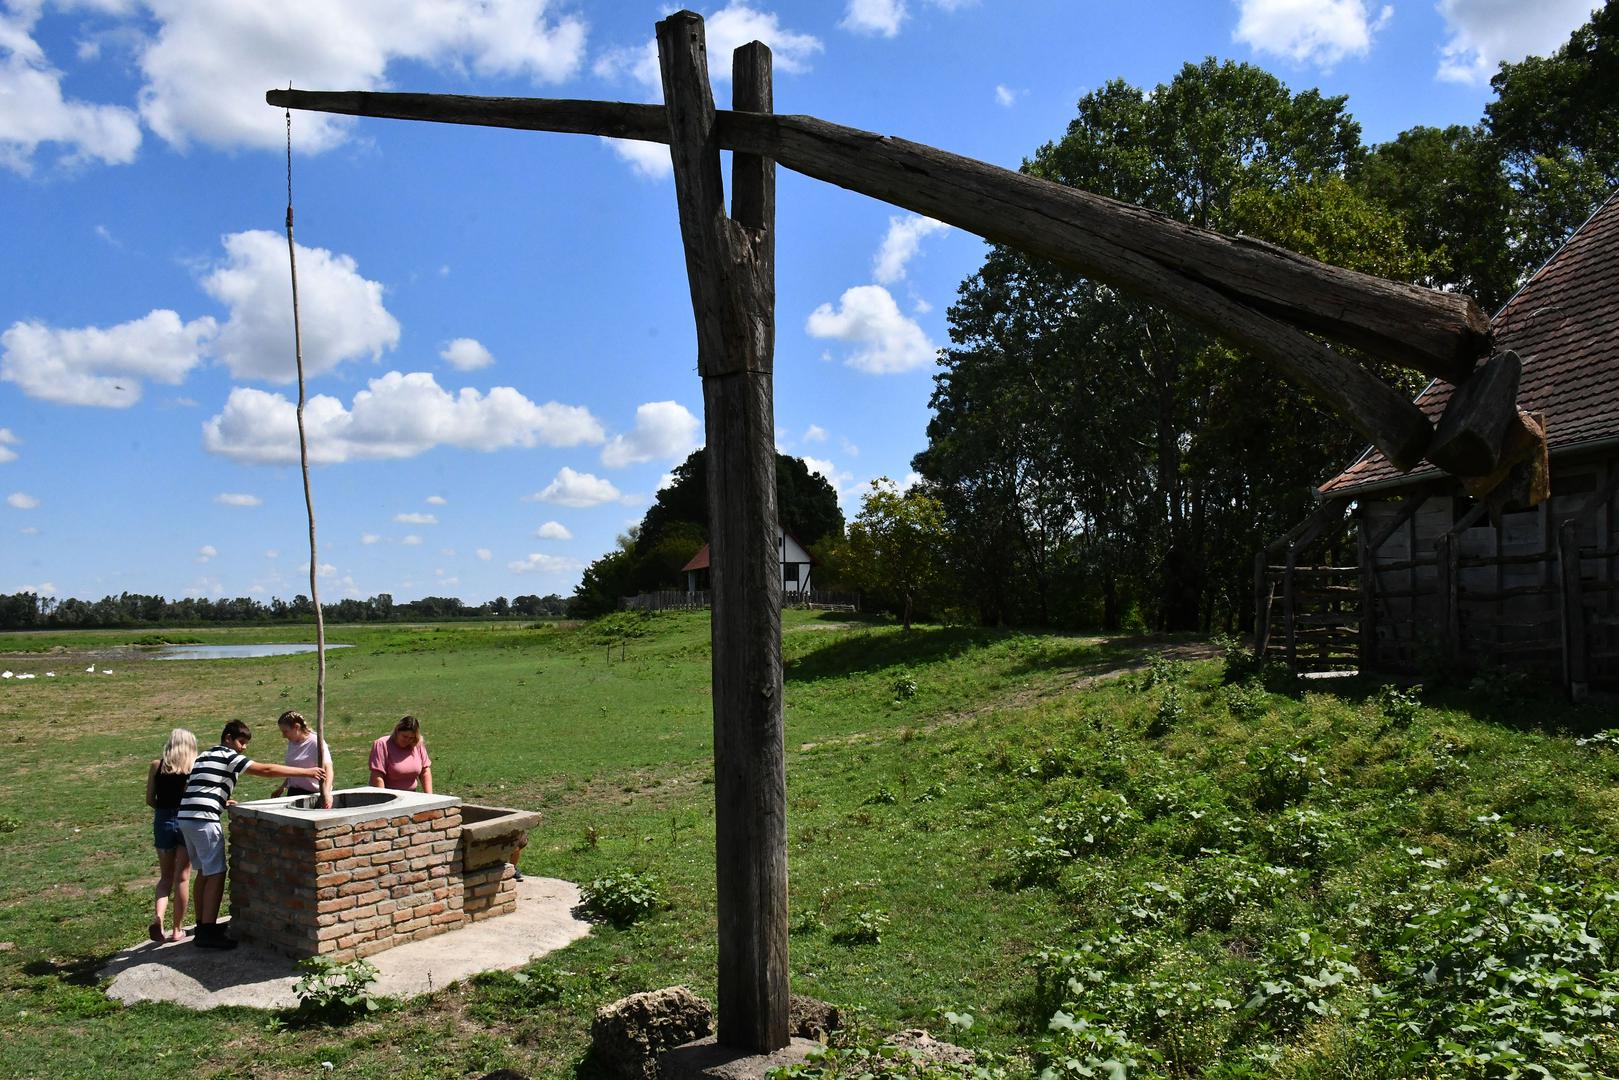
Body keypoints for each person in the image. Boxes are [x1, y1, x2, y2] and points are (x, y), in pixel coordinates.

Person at [178, 720, 325, 949]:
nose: (243, 747)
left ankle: (202, 925)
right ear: (227, 738)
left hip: (186, 816)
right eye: (241, 741)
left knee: (204, 873)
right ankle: (207, 934)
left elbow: (199, 785)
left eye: (246, 743)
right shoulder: (228, 755)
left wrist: (220, 801)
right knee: (216, 872)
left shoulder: (205, 756)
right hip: (203, 819)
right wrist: (306, 771)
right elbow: (264, 770)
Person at [145, 728, 196, 943]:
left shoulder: (157, 766)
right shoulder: (193, 768)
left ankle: (159, 918)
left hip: (163, 820)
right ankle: (177, 929)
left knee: (165, 878)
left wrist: (163, 810)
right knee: (182, 877)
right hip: (186, 820)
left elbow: (149, 799)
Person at [269, 709, 334, 809]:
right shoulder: (292, 742)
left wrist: (327, 793)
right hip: (294, 792)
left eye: (286, 731)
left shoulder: (315, 742)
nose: (283, 736)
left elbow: (328, 769)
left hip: (313, 794)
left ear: (296, 727)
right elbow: (295, 768)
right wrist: (283, 787)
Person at [369, 715, 433, 793]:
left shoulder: (417, 745)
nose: (407, 740)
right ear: (397, 731)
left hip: (412, 795)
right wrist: (383, 799)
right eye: (404, 736)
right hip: (390, 796)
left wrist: (429, 796)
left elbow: (425, 771)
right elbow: (377, 776)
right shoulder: (382, 744)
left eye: (411, 738)